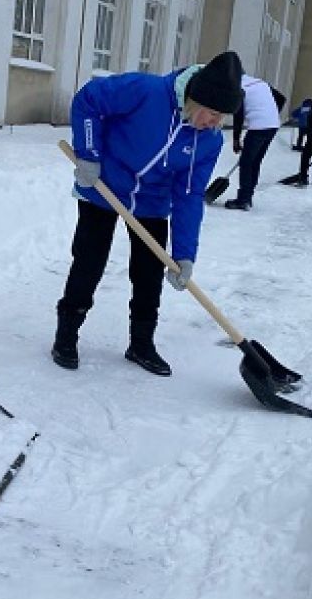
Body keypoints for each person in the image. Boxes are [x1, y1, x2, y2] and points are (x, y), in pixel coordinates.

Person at [52, 51, 244, 376]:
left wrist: (184, 254)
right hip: (103, 186)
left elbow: (189, 195)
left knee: (148, 273)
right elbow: (88, 101)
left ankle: (141, 344)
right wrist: (88, 154)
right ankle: (66, 334)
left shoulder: (208, 142)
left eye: (221, 118)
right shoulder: (147, 91)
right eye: (211, 114)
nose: (214, 123)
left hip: (152, 203)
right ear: (194, 99)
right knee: (89, 260)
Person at [224, 74, 287, 210]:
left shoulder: (239, 88)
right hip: (272, 125)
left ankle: (243, 200)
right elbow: (281, 98)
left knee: (246, 163)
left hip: (259, 127)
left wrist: (236, 139)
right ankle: (248, 197)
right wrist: (270, 113)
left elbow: (238, 115)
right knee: (255, 161)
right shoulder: (260, 83)